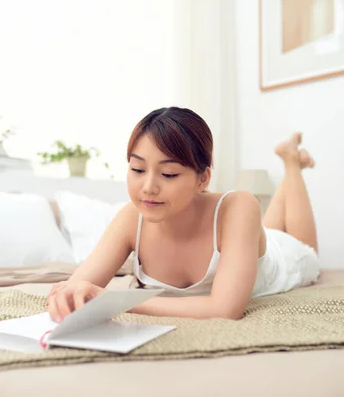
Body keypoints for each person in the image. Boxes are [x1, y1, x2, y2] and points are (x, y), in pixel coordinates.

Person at [46, 107, 319, 321]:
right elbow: (78, 286)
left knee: (305, 248)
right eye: (137, 170)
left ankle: (292, 163)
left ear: (203, 179)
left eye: (168, 174)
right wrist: (69, 295)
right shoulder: (131, 218)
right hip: (250, 244)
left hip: (285, 258)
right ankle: (292, 160)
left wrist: (112, 302)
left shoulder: (239, 206)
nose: (148, 187)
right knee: (268, 232)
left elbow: (224, 310)